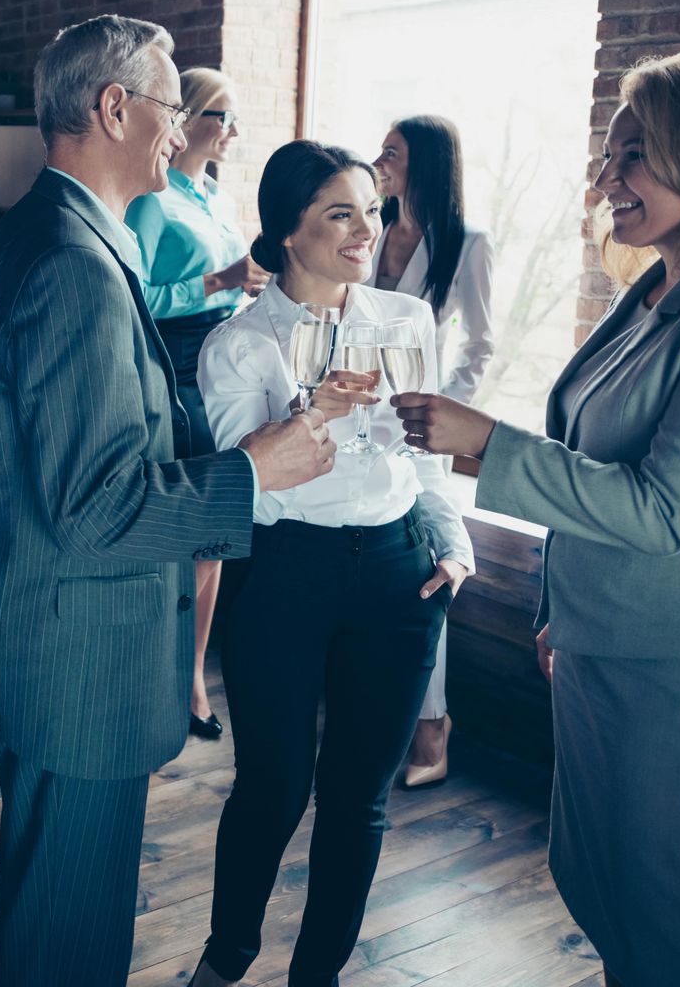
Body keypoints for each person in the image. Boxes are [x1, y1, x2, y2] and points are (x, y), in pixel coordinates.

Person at [395, 47, 680, 987]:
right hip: (612, 646)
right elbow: (600, 460)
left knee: (676, 940)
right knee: (599, 889)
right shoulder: (658, 285)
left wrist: (487, 443)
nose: (608, 178)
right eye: (611, 154)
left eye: (634, 153)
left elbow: (668, 507)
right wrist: (571, 609)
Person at [0, 15, 333, 987]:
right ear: (114, 106)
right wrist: (254, 471)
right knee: (69, 939)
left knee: (57, 916)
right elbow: (94, 509)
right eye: (173, 107)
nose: (184, 129)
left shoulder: (60, 228)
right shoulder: (72, 264)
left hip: (55, 632)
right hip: (82, 655)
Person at [189, 139, 473, 987]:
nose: (365, 229)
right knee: (272, 789)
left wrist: (451, 546)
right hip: (285, 574)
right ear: (285, 231)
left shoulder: (406, 321)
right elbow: (251, 491)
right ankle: (226, 957)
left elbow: (426, 461)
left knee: (360, 799)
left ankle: (319, 975)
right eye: (339, 213)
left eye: (372, 209)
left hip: (398, 575)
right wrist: (317, 407)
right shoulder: (238, 346)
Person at [125, 65, 269, 744]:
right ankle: (167, 676)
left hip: (225, 361)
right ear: (191, 121)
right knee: (192, 532)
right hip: (176, 367)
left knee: (213, 539)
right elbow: (137, 299)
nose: (235, 131)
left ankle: (189, 677)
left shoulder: (217, 197)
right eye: (225, 117)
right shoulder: (154, 201)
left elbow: (234, 284)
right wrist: (221, 279)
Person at [369, 114, 496, 789]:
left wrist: (443, 411)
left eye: (391, 152)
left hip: (423, 434)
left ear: (426, 165)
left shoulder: (466, 244)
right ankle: (380, 711)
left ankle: (432, 728)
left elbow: (480, 342)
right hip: (361, 427)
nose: (378, 160)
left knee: (430, 571)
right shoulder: (372, 230)